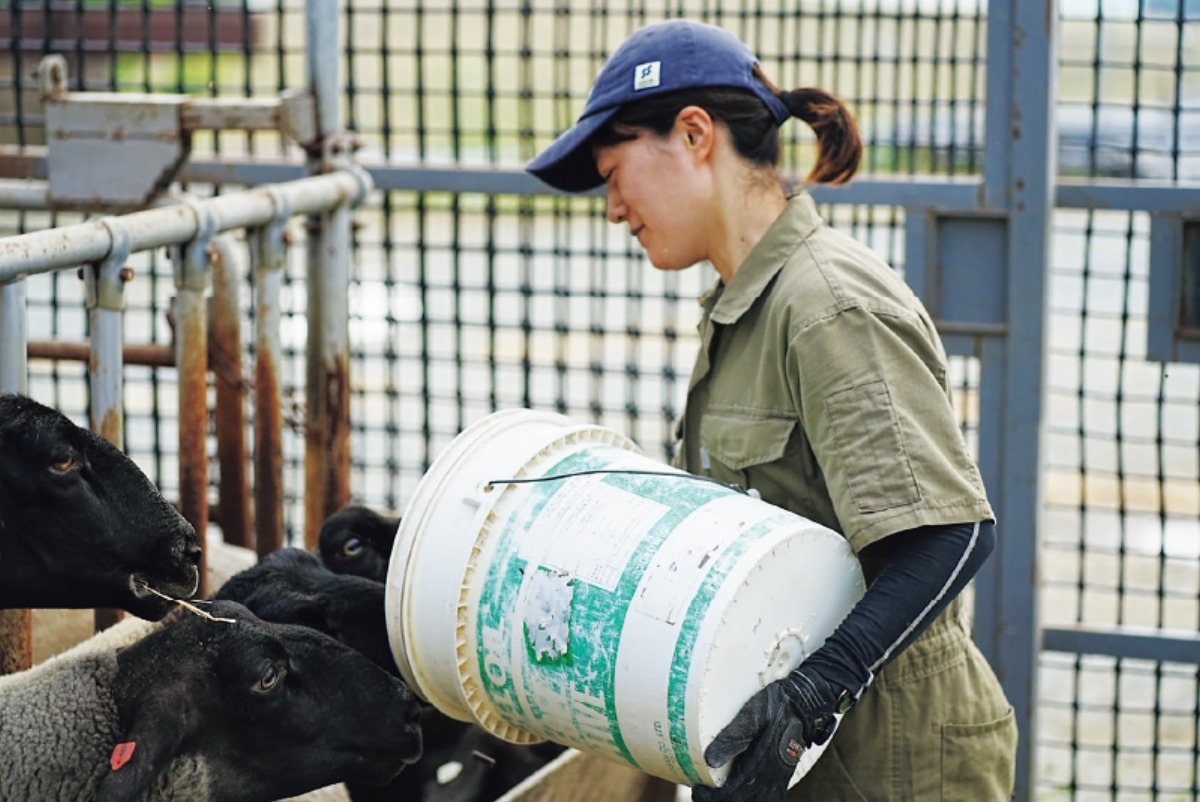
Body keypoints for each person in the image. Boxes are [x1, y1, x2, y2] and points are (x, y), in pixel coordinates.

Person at [526, 18, 1018, 802]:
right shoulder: (741, 304)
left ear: (693, 135)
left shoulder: (826, 305)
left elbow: (949, 536)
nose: (614, 209)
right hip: (797, 764)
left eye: (614, 172)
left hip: (889, 765)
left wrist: (811, 694)